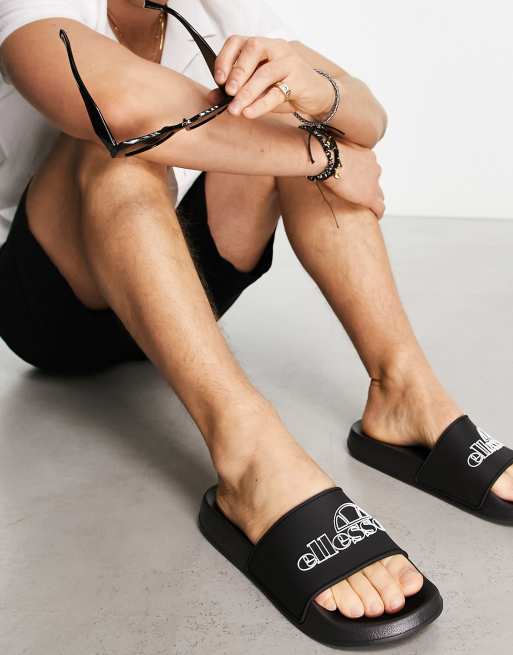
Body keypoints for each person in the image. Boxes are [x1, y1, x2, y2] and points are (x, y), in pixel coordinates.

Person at [0, 0, 512, 647]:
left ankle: (403, 392)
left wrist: (313, 91)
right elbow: (122, 109)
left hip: (173, 289)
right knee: (114, 146)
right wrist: (321, 153)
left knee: (286, 101)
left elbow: (368, 116)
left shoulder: (218, 8)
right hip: (54, 304)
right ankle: (252, 460)